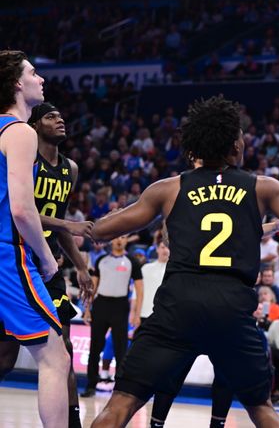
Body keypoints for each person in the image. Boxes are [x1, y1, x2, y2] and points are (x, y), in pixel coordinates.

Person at [85, 95, 279, 428]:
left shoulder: (169, 188)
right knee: (262, 409)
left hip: (178, 304)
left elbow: (100, 231)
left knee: (120, 404)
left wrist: (68, 224)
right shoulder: (262, 187)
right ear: (236, 146)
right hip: (231, 307)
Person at [0, 101, 94, 428]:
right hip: (18, 258)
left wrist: (81, 266)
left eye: (62, 115)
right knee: (7, 357)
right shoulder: (23, 155)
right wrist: (67, 227)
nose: (61, 120)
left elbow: (61, 221)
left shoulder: (70, 168)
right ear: (36, 124)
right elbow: (19, 208)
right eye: (52, 116)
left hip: (48, 262)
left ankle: (73, 420)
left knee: (61, 347)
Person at [0, 50, 71, 428]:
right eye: (33, 72)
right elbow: (24, 211)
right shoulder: (19, 131)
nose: (40, 78)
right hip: (7, 256)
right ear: (16, 83)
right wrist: (46, 259)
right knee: (54, 357)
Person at [81, 234, 143, 398]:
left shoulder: (132, 262)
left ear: (126, 240)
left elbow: (139, 289)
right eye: (117, 237)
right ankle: (91, 385)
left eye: (123, 237)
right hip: (101, 305)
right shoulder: (101, 260)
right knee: (95, 347)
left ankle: (120, 388)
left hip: (120, 306)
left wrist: (136, 313)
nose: (119, 240)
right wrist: (87, 309)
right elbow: (93, 287)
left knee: (121, 349)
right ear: (111, 240)